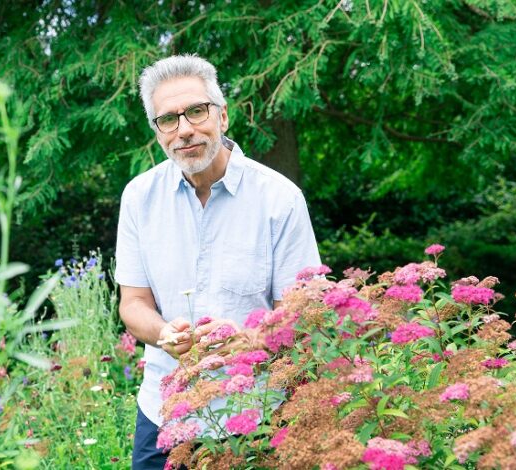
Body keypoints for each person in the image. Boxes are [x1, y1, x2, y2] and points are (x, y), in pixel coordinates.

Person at [115, 54, 321, 469]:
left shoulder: (278, 199)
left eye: (196, 111)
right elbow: (132, 304)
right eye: (168, 119)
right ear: (157, 132)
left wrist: (250, 339)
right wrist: (163, 334)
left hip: (259, 416)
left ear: (223, 116)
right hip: (165, 417)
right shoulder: (138, 198)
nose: (185, 129)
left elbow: (304, 315)